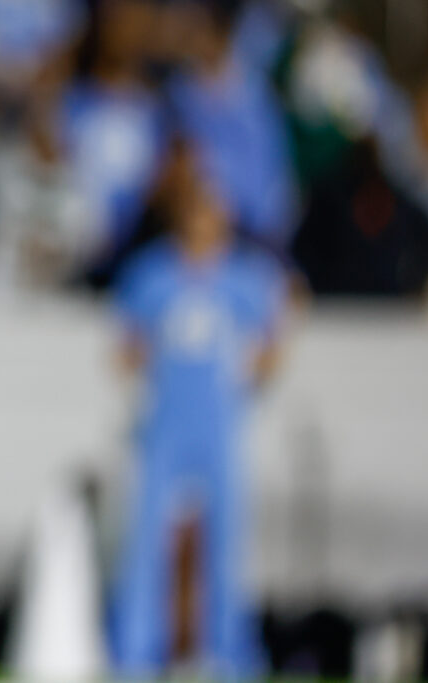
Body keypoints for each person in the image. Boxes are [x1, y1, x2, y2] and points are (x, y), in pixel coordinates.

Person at [110, 141, 285, 679]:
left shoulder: (247, 278)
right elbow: (127, 348)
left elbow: (273, 342)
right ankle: (136, 651)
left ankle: (226, 651)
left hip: (221, 425)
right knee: (146, 540)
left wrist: (251, 372)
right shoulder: (152, 273)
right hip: (165, 424)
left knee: (227, 540)